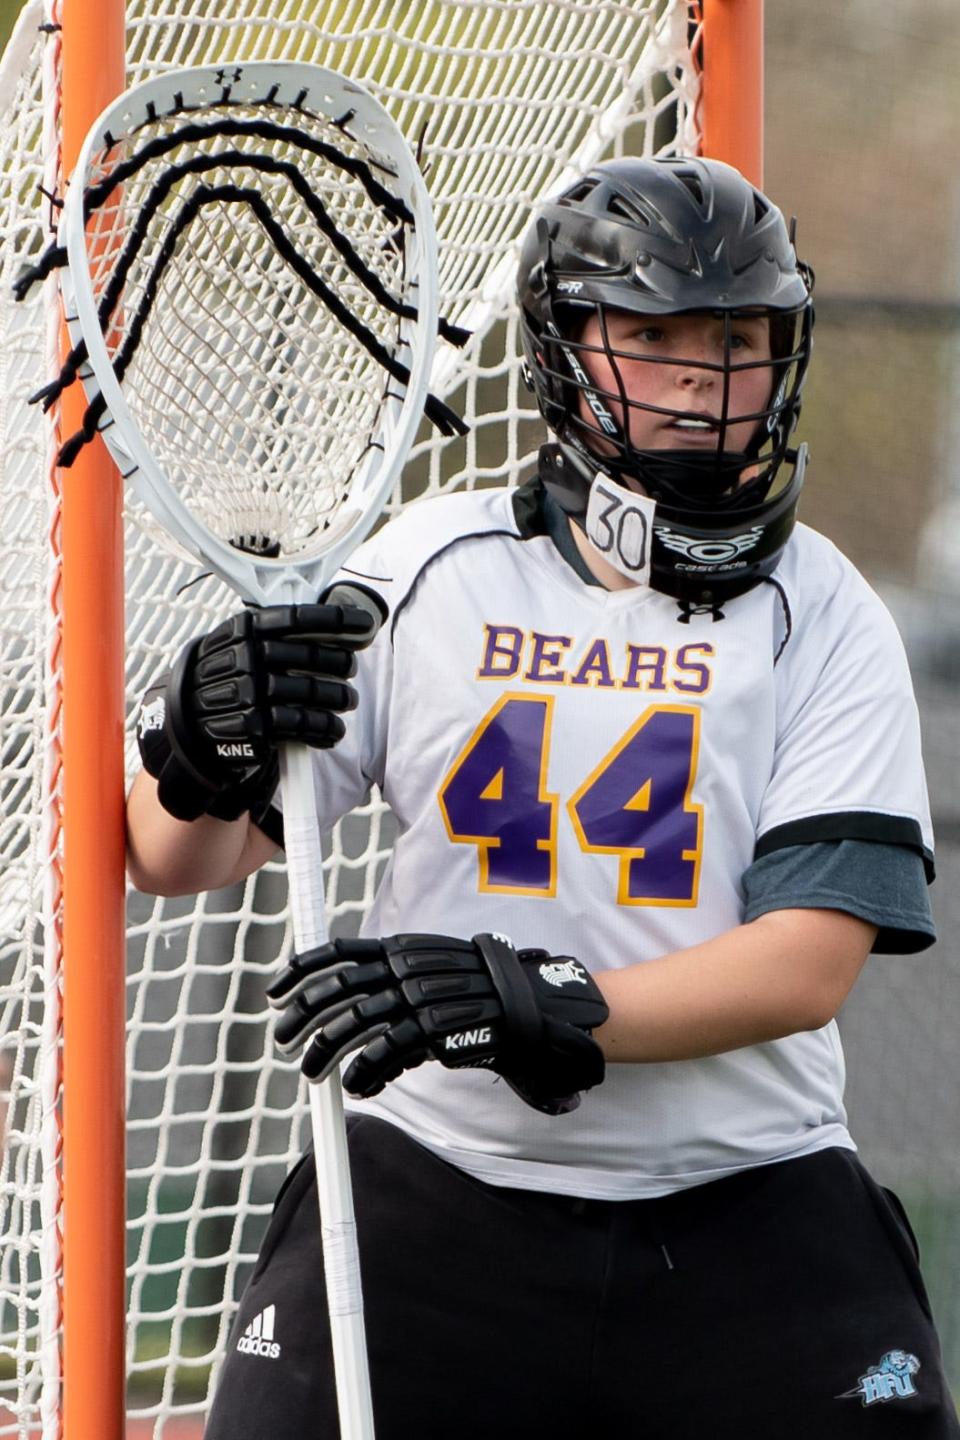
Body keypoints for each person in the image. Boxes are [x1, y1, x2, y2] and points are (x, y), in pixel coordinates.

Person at [127, 157, 959, 1437]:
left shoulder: (825, 609)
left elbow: (806, 964)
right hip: (440, 1187)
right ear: (567, 347)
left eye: (735, 331)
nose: (703, 370)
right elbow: (181, 859)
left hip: (743, 1197)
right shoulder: (427, 571)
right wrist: (199, 745)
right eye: (654, 329)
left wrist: (541, 999)